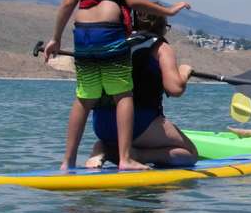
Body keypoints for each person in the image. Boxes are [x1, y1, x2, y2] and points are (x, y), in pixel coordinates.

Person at [42, 0, 190, 171]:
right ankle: (125, 158)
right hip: (109, 31)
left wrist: (55, 37)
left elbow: (67, 3)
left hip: (82, 33)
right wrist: (168, 10)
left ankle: (67, 161)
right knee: (123, 94)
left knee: (85, 96)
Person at [84, 10, 198, 167]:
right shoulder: (161, 47)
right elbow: (175, 89)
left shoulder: (118, 42)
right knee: (190, 154)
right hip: (138, 123)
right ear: (161, 26)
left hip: (101, 123)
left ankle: (103, 148)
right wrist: (184, 72)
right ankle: (138, 155)